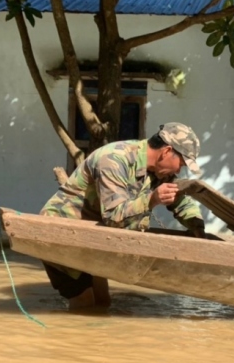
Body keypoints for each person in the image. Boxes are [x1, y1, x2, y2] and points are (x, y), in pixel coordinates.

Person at [40, 122, 206, 309]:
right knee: (84, 304)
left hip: (94, 238)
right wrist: (151, 200)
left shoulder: (159, 171)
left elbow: (182, 201)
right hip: (62, 233)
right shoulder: (114, 159)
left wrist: (197, 226)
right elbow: (113, 217)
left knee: (103, 302)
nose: (178, 171)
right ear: (166, 152)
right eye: (181, 164)